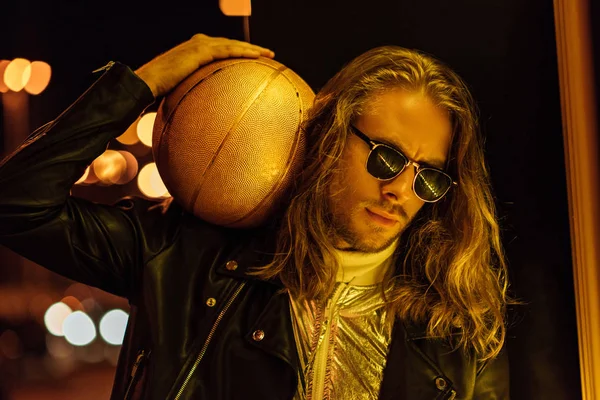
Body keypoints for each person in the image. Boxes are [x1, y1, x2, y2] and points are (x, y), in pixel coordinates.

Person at [0, 34, 510, 399]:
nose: (399, 189)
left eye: (428, 177)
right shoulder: (183, 258)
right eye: (387, 157)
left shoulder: (455, 328)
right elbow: (16, 204)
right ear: (330, 137)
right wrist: (142, 84)